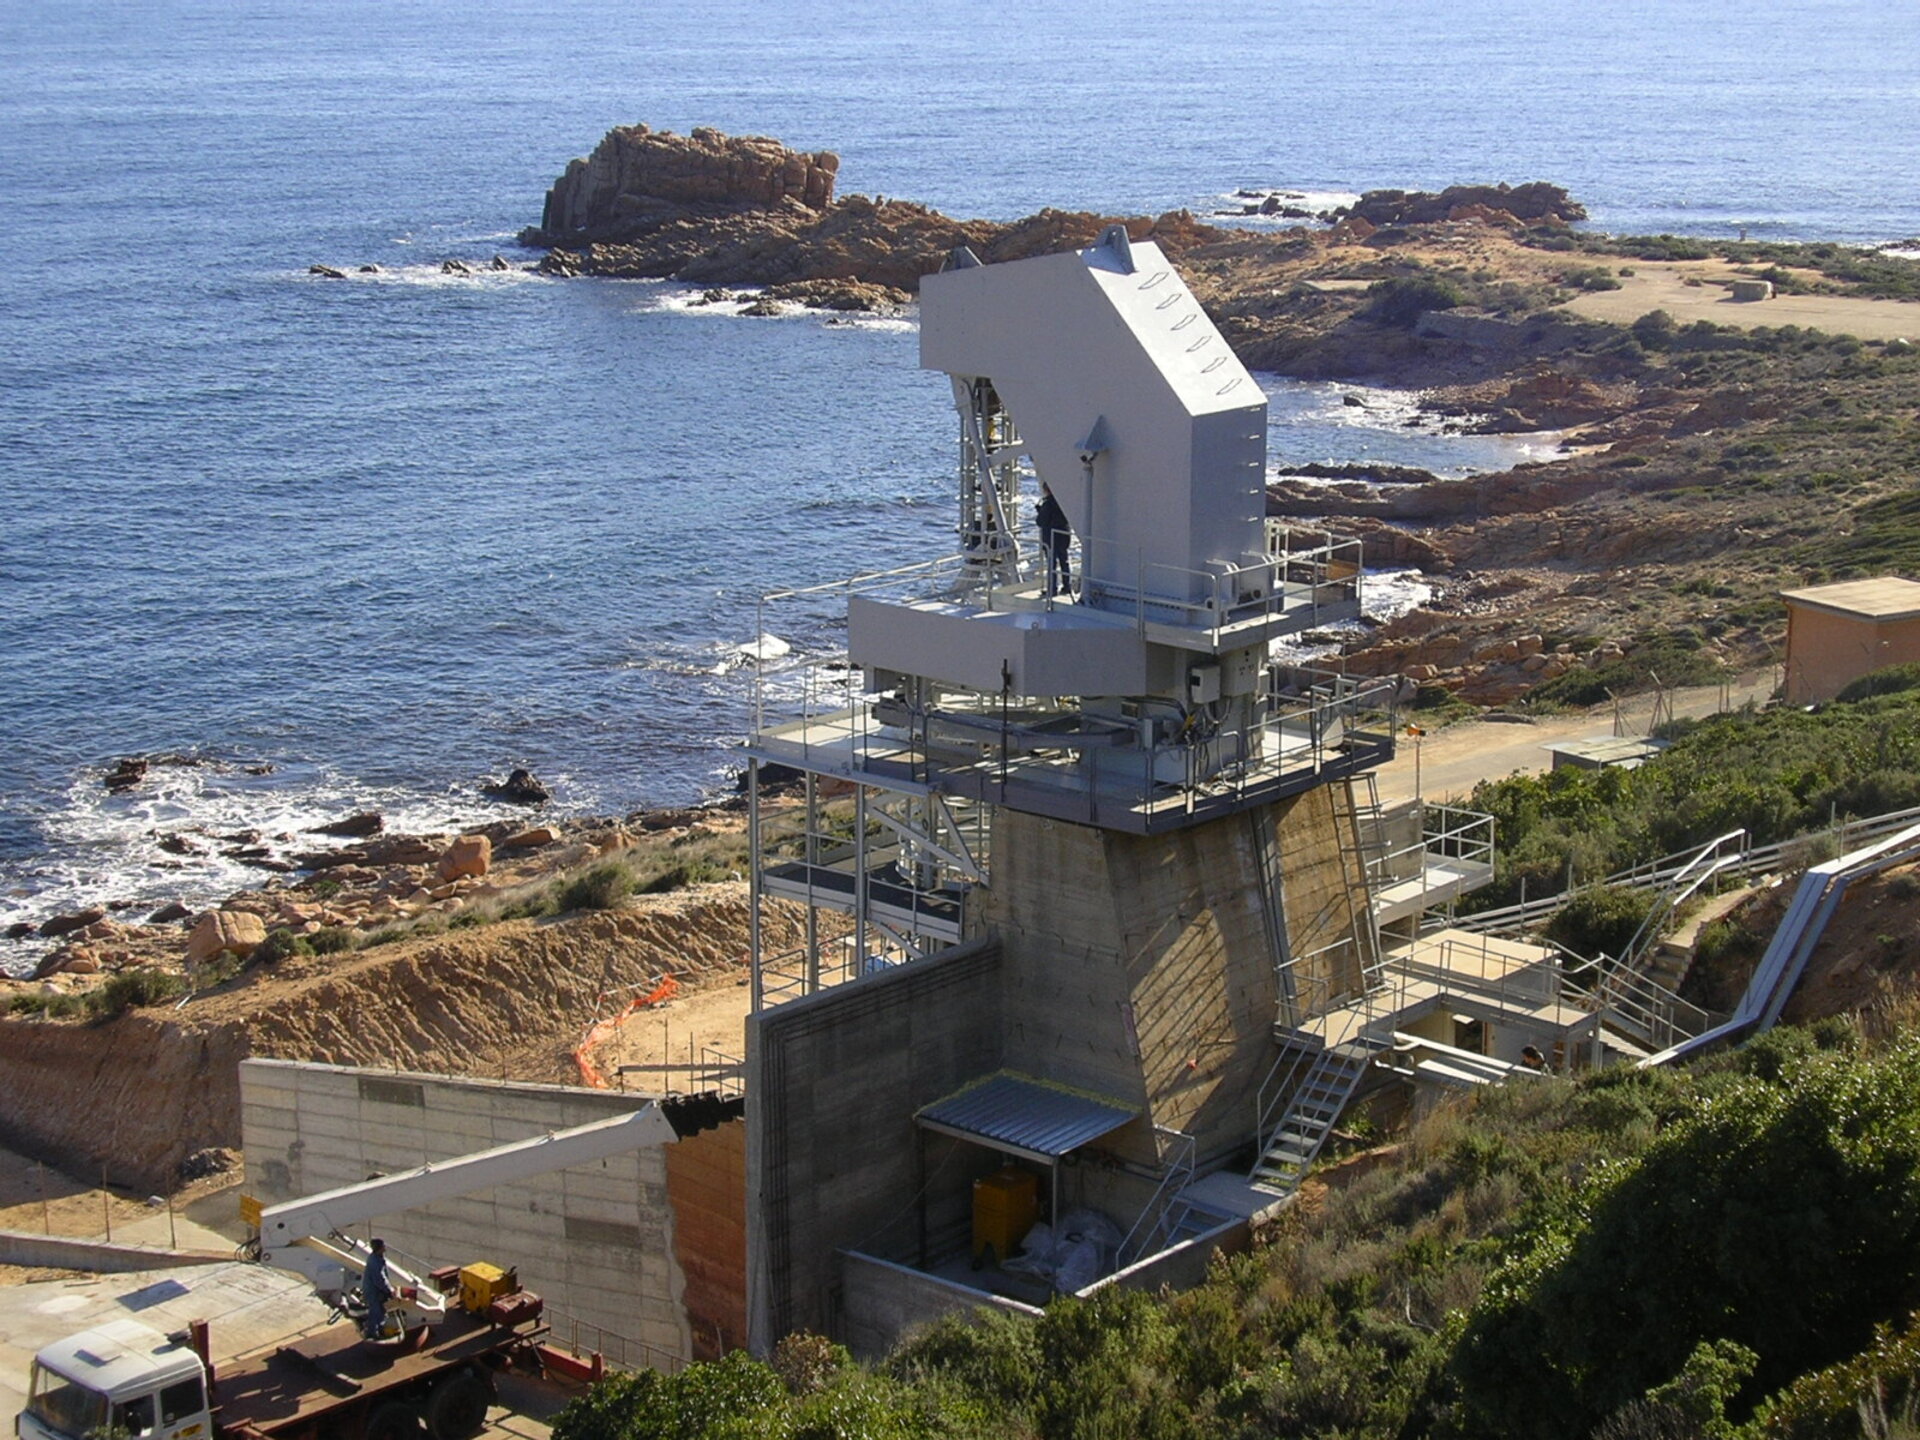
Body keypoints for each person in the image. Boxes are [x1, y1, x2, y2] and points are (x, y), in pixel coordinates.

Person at [1035, 483, 1071, 597]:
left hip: (1051, 538)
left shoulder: (1048, 504)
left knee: (1052, 565)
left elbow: (1041, 521)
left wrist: (1040, 511)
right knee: (1064, 562)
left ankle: (1052, 589)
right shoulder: (1064, 502)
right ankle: (1067, 586)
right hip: (1064, 535)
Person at [362, 1237, 393, 1340]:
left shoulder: (377, 1258)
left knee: (380, 1311)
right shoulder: (374, 1262)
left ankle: (380, 1330)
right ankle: (372, 1334)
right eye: (383, 1246)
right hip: (373, 1291)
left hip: (376, 1290)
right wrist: (389, 1290)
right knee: (375, 1312)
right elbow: (379, 1279)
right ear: (380, 1248)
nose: (385, 1247)